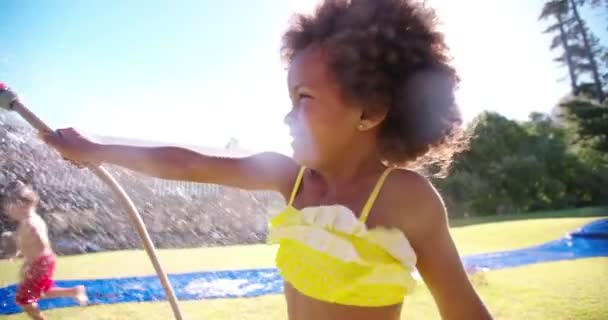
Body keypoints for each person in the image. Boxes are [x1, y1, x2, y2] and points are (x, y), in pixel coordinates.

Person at [41, 0, 492, 318]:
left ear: (370, 112)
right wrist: (95, 149)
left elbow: (461, 308)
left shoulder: (402, 197)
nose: (288, 115)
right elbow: (187, 164)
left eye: (304, 98)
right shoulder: (290, 179)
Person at [2, 181, 88, 320]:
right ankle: (74, 291)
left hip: (41, 262)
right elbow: (26, 242)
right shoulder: (29, 221)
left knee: (25, 299)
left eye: (11, 207)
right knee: (42, 291)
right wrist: (19, 253)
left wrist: (34, 263)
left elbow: (40, 241)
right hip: (42, 261)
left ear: (22, 205)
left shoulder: (31, 223)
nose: (8, 211)